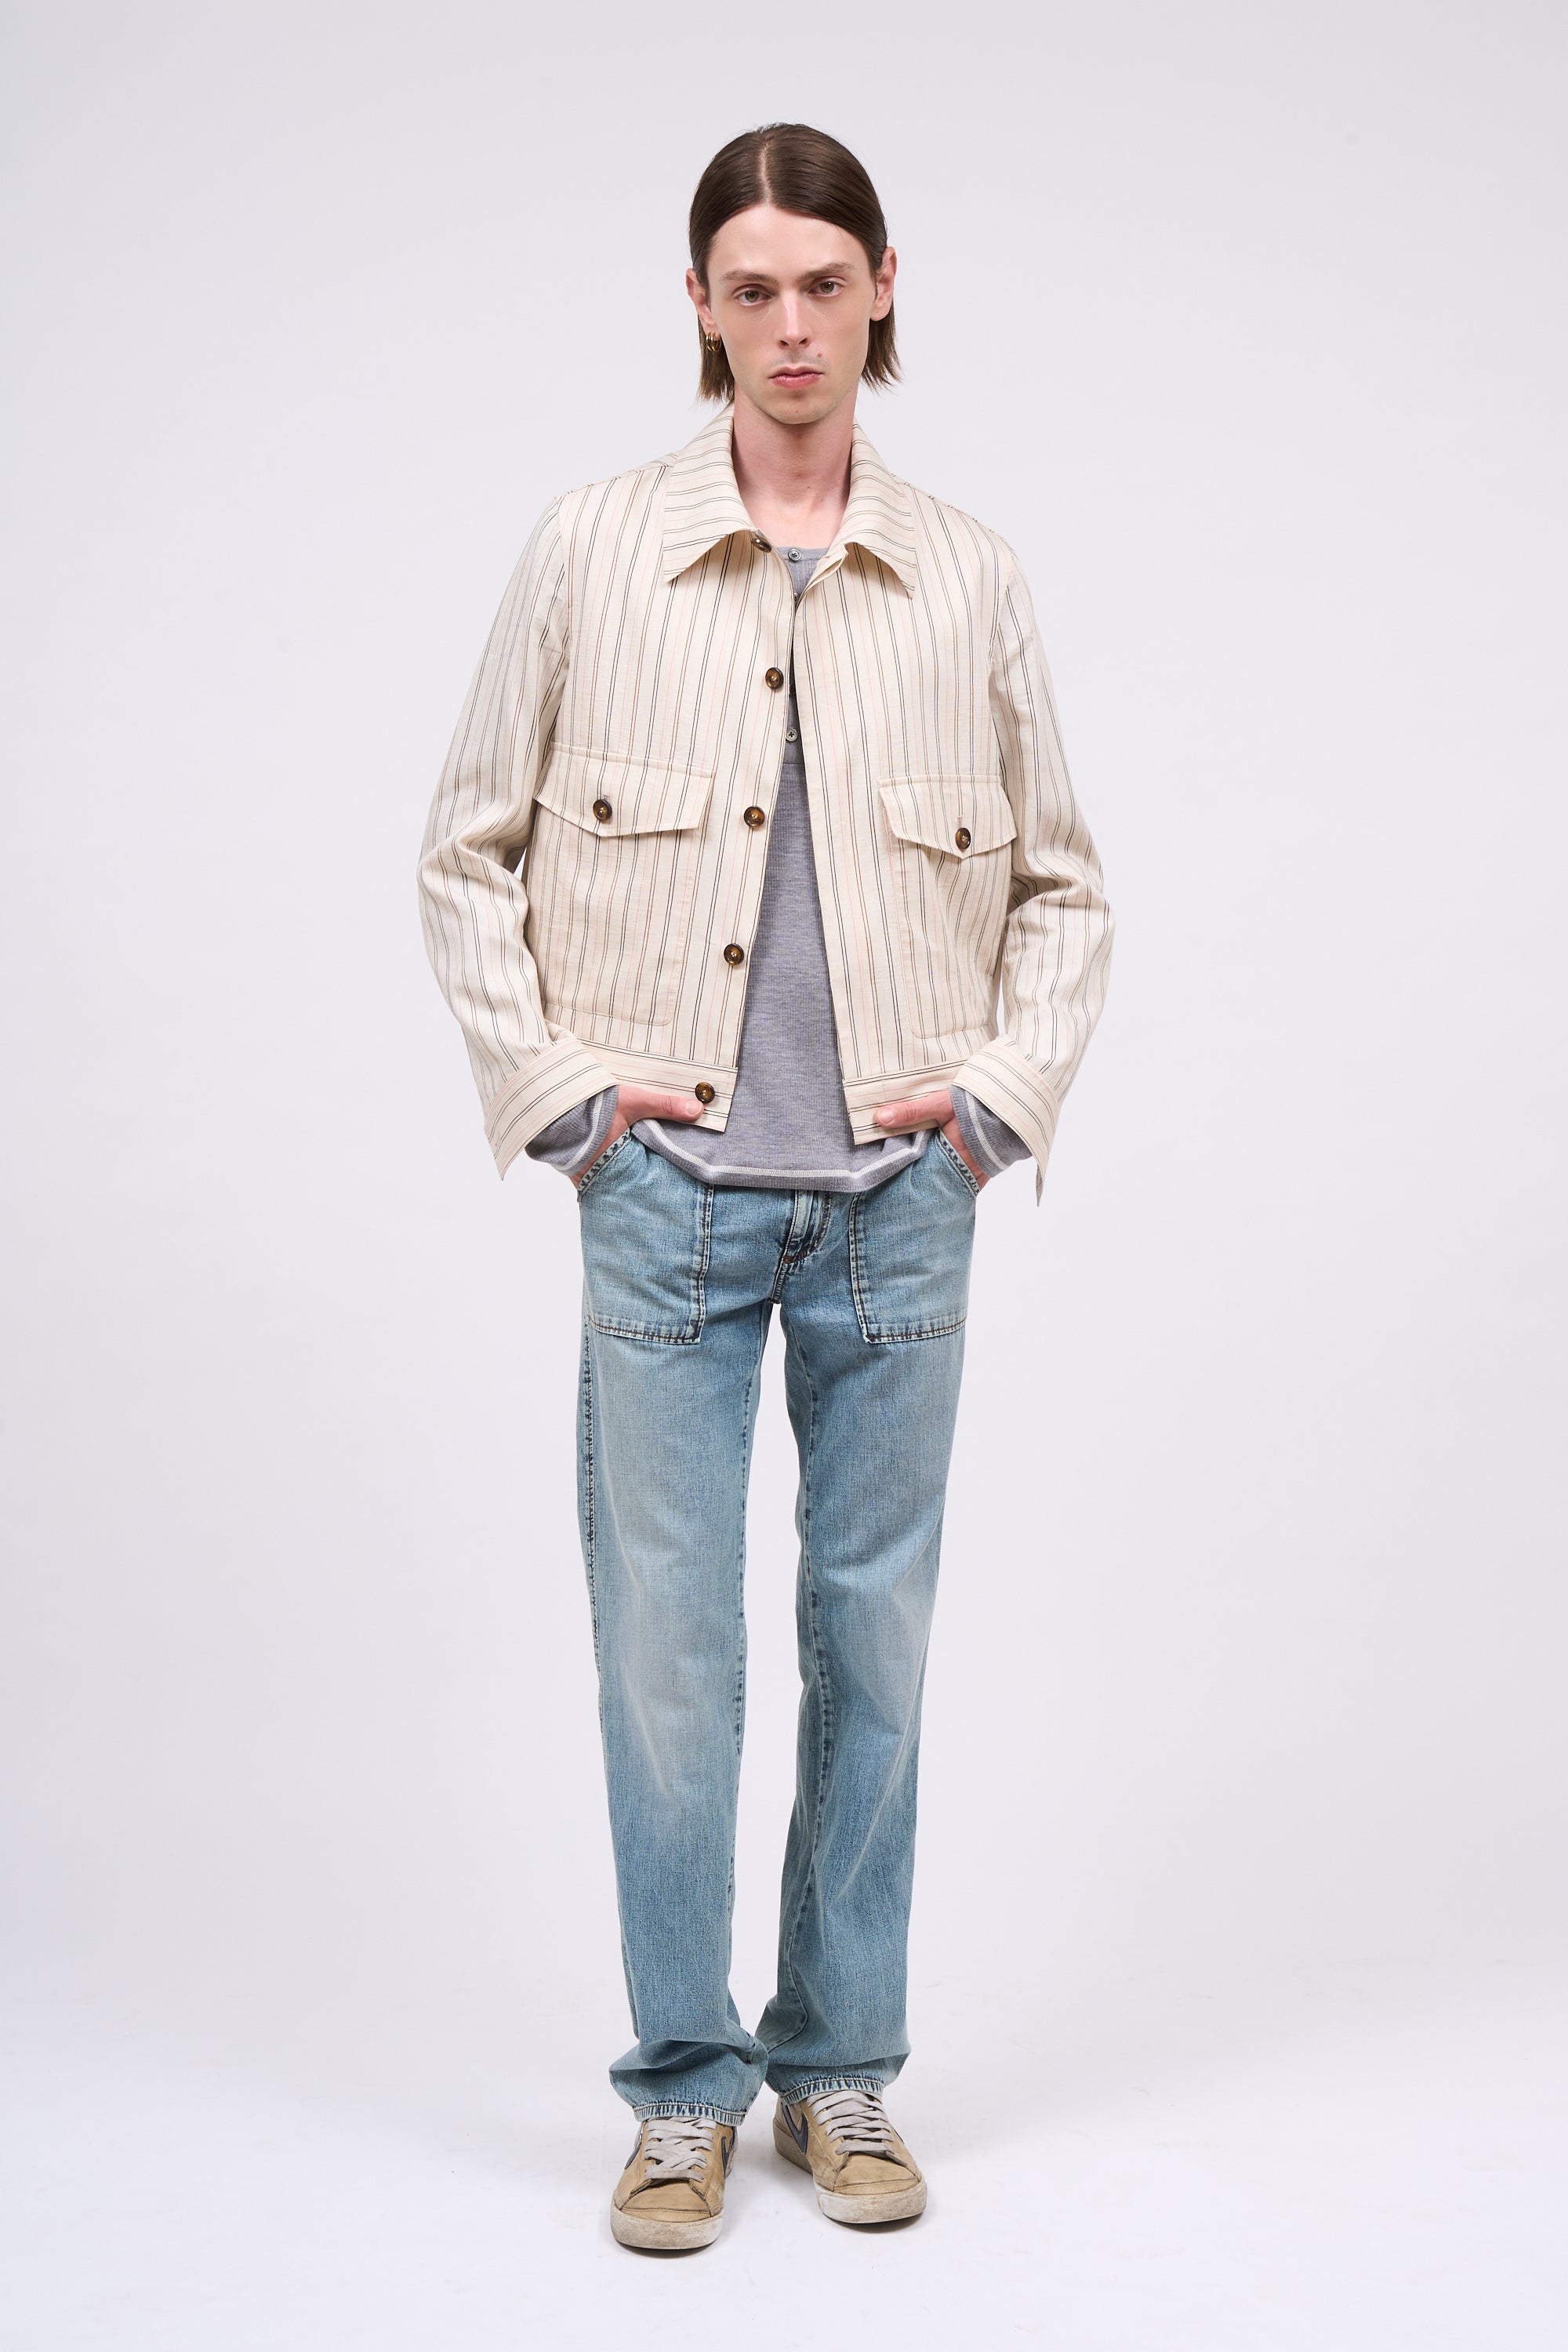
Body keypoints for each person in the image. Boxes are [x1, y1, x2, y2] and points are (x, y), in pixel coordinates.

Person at [419, 122, 1113, 2252]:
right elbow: (465, 851)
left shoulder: (966, 572)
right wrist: (566, 1101)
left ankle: (842, 2067)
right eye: (752, 289)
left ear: (882, 289)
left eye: (825, 283)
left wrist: (987, 1111)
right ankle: (680, 2087)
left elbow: (1066, 889)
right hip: (670, 1202)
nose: (791, 324)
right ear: (702, 308)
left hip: (900, 1208)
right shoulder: (592, 550)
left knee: (871, 1644)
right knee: (670, 1659)